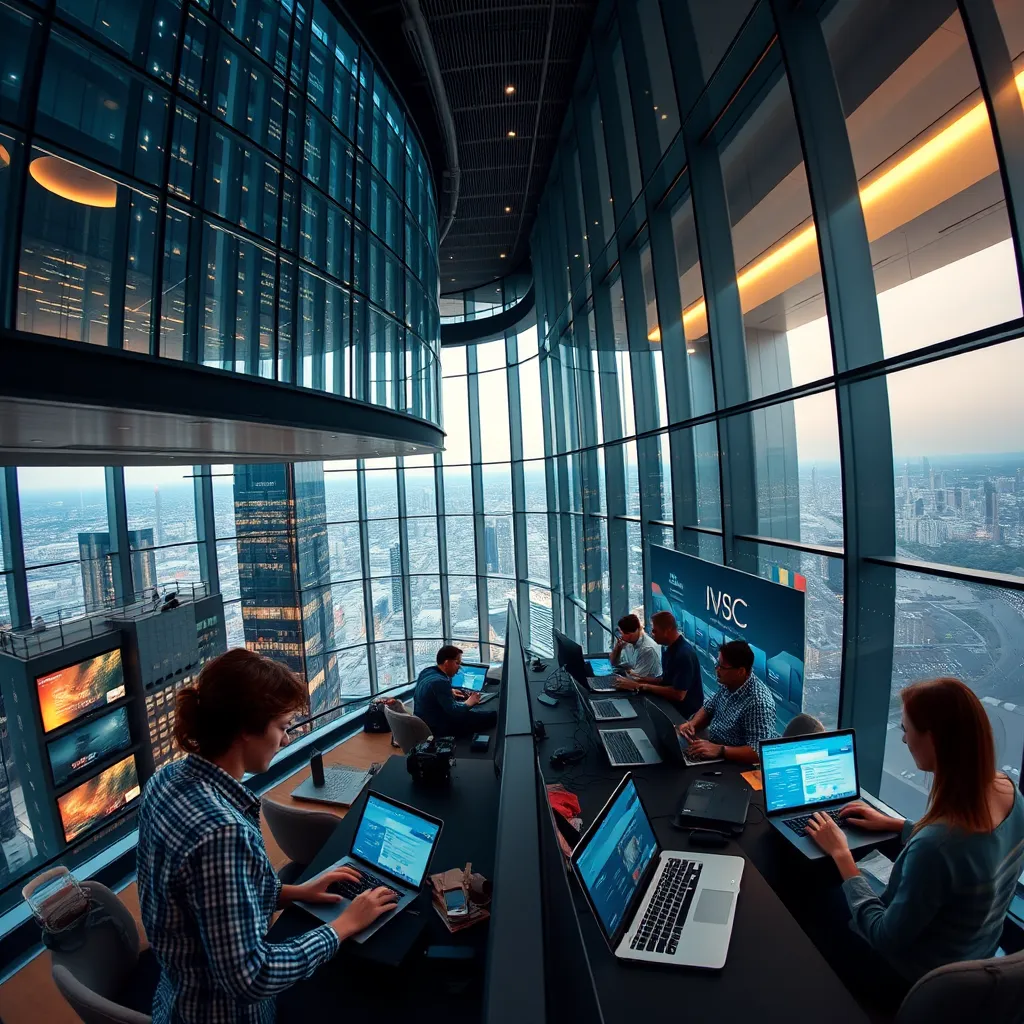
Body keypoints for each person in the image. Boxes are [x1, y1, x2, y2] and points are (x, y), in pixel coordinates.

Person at [137, 649, 398, 1024]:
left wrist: (292, 892)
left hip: (177, 993)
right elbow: (250, 978)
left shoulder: (166, 781)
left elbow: (203, 897)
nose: (286, 738)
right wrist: (343, 925)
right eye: (282, 725)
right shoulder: (222, 833)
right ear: (246, 728)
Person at [806, 677, 1024, 989]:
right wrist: (897, 825)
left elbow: (884, 937)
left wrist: (841, 854)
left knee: (817, 897)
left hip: (918, 980)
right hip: (975, 957)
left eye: (907, 729)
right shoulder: (1010, 792)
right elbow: (968, 863)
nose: (905, 740)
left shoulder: (937, 846)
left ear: (933, 739)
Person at [678, 639, 776, 762]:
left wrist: (721, 750)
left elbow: (759, 751)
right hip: (714, 746)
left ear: (740, 671)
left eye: (722, 667)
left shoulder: (759, 703)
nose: (717, 669)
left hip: (734, 764)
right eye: (717, 664)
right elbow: (708, 708)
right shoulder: (730, 683)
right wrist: (692, 725)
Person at [614, 611, 703, 718]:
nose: (652, 634)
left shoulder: (683, 655)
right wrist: (639, 680)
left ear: (667, 630)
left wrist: (640, 686)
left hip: (684, 715)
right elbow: (666, 680)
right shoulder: (669, 648)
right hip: (671, 706)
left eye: (654, 631)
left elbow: (679, 694)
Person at [413, 644, 498, 738]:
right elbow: (455, 711)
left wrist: (450, 691)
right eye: (457, 663)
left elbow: (431, 692)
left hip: (422, 721)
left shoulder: (427, 671)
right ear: (447, 663)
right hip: (436, 727)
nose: (459, 667)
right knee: (490, 716)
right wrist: (469, 702)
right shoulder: (440, 682)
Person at [609, 613, 662, 680]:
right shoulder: (627, 642)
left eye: (623, 633)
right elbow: (613, 663)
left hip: (644, 685)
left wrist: (629, 672)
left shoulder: (647, 649)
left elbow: (638, 679)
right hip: (631, 678)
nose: (621, 636)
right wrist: (617, 649)